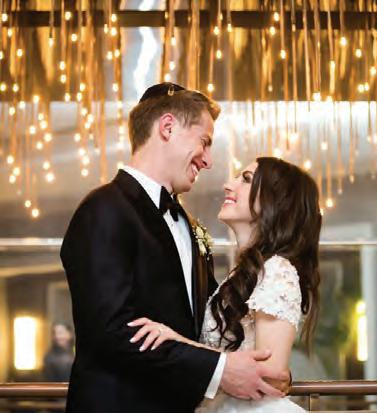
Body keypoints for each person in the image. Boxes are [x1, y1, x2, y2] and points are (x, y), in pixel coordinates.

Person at [60, 83, 289, 413]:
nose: (208, 161)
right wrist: (219, 371)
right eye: (204, 142)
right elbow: (109, 332)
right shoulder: (104, 208)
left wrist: (267, 369)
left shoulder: (189, 225)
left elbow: (212, 323)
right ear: (167, 127)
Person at [128, 157, 322, 412]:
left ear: (276, 201)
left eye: (246, 179)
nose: (228, 185)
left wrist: (177, 341)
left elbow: (270, 376)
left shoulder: (278, 270)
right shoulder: (243, 275)